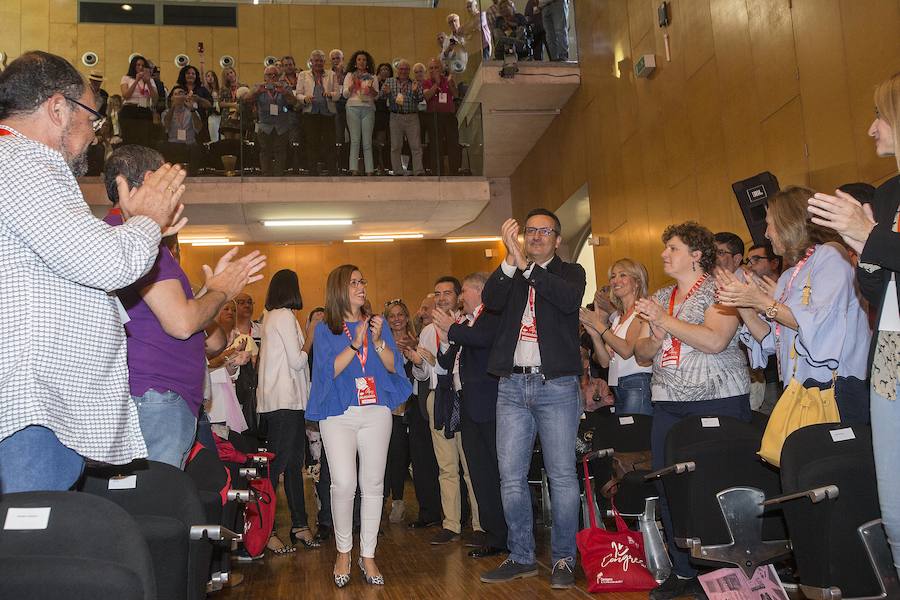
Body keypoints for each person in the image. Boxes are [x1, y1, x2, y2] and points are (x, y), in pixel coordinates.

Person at [0, 51, 183, 493]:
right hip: (33, 402)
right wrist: (146, 222)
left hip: (43, 404)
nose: (95, 134)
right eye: (92, 118)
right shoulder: (20, 162)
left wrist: (140, 224)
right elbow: (106, 262)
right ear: (58, 108)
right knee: (36, 551)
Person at [103, 145, 265, 468]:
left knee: (162, 505)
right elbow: (181, 323)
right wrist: (218, 292)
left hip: (167, 398)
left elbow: (215, 340)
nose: (177, 196)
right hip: (155, 397)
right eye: (172, 184)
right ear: (151, 180)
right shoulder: (129, 238)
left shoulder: (147, 244)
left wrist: (206, 294)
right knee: (153, 508)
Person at [806, 71, 900, 578]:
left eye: (880, 116)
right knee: (895, 510)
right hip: (890, 358)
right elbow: (874, 287)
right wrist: (866, 246)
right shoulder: (887, 196)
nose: (870, 129)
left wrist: (871, 238)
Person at [633, 222, 750, 599]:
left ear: (697, 254)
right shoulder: (662, 295)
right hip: (668, 403)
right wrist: (654, 332)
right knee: (670, 485)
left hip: (716, 400)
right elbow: (641, 353)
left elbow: (716, 340)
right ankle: (682, 571)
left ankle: (718, 573)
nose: (665, 254)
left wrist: (664, 322)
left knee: (715, 487)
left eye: (673, 248)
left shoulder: (722, 288)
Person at [479, 208, 586, 590]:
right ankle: (521, 555)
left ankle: (563, 559)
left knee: (560, 475)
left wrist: (525, 265)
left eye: (546, 231)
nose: (537, 236)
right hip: (511, 386)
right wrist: (510, 260)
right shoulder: (514, 271)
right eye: (530, 231)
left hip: (555, 386)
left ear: (558, 240)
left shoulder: (570, 273)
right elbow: (491, 300)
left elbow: (568, 300)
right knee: (510, 477)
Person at [718, 186, 871, 425]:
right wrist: (743, 305)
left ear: (790, 222)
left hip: (837, 387)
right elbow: (772, 341)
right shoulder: (790, 275)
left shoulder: (831, 256)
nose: (766, 234)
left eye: (769, 224)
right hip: (800, 389)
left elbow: (820, 325)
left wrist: (763, 301)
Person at [307, 265, 412, 587]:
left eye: (362, 281)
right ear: (339, 289)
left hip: (375, 411)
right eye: (354, 282)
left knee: (373, 485)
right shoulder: (326, 328)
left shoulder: (377, 323)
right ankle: (343, 552)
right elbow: (328, 372)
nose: (361, 286)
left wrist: (378, 341)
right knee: (342, 483)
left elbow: (394, 366)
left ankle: (368, 555)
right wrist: (356, 343)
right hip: (338, 413)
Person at [433, 272, 508, 559]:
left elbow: (481, 339)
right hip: (467, 404)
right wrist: (449, 333)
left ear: (479, 290)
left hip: (489, 405)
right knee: (479, 472)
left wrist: (452, 328)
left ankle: (506, 533)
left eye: (463, 290)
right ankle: (493, 533)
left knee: (495, 471)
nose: (461, 296)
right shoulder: (469, 321)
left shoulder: (492, 315)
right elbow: (448, 359)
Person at [411, 276, 484, 547]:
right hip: (437, 396)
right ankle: (451, 523)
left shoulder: (468, 324)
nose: (441, 298)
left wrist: (436, 361)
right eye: (437, 293)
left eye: (447, 293)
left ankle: (479, 523)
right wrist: (418, 362)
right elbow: (423, 374)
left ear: (458, 297)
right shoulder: (429, 330)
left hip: (463, 396)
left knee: (471, 465)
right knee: (446, 466)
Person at [257, 269, 322, 553]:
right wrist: (310, 335)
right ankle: (266, 530)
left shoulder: (273, 316)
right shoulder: (282, 316)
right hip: (283, 402)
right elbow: (297, 361)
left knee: (294, 465)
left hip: (288, 403)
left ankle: (299, 524)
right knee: (277, 467)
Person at [580, 258, 653, 415]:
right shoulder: (619, 319)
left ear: (637, 282)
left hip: (637, 383)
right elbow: (605, 362)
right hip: (618, 386)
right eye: (613, 276)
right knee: (625, 437)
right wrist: (595, 334)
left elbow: (627, 350)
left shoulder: (641, 312)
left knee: (634, 436)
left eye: (622, 275)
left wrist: (599, 326)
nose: (615, 280)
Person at [398, 295, 442, 528]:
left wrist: (415, 358)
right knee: (423, 461)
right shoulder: (424, 333)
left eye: (426, 308)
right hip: (419, 402)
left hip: (428, 402)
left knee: (429, 462)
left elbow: (427, 371)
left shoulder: (431, 332)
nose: (420, 312)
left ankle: (432, 512)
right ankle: (432, 511)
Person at [383, 300, 416, 523]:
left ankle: (399, 500)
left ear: (406, 317)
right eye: (392, 315)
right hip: (387, 405)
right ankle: (386, 499)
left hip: (413, 405)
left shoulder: (416, 340)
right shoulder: (381, 343)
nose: (396, 319)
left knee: (403, 455)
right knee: (388, 453)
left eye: (400, 315)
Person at [743, 242, 783, 414]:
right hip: (761, 372)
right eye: (749, 260)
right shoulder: (749, 291)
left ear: (774, 263)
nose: (751, 265)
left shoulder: (787, 288)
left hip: (783, 368)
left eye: (757, 259)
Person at [245, 65, 297, 176]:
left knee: (280, 151)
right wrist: (257, 92)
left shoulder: (285, 87)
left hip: (281, 125)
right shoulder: (258, 86)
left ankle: (279, 174)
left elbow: (294, 102)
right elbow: (246, 99)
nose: (272, 77)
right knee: (265, 151)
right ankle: (266, 174)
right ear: (264, 77)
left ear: (279, 76)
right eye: (269, 75)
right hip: (265, 125)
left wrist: (285, 93)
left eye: (275, 75)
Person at [296, 50, 339, 176]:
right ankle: (312, 170)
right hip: (310, 113)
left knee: (330, 143)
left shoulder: (331, 74)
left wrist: (330, 95)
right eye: (316, 61)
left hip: (328, 113)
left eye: (321, 61)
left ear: (324, 62)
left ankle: (332, 170)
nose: (318, 63)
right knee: (311, 143)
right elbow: (298, 93)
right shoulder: (303, 75)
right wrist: (304, 98)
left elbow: (337, 94)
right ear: (311, 62)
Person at [381, 59, 425, 177]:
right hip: (395, 116)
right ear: (397, 70)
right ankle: (398, 171)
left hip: (412, 116)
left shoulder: (414, 83)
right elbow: (381, 95)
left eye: (406, 69)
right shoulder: (389, 81)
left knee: (416, 146)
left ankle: (418, 171)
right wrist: (387, 93)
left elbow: (420, 98)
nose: (403, 71)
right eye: (401, 69)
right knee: (396, 146)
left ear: (409, 71)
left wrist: (415, 92)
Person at [342, 50, 379, 176]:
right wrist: (353, 84)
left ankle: (369, 170)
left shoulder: (372, 77)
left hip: (368, 108)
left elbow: (376, 96)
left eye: (364, 60)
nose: (361, 62)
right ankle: (353, 168)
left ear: (367, 62)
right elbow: (345, 94)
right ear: (355, 62)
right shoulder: (349, 75)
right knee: (355, 140)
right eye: (359, 60)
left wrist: (371, 88)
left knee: (367, 141)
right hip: (353, 107)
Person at [423, 58, 461, 176]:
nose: (433, 70)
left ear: (441, 68)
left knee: (453, 144)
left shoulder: (448, 80)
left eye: (436, 67)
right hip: (434, 117)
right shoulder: (426, 82)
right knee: (435, 145)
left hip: (448, 116)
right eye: (431, 68)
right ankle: (437, 172)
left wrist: (450, 84)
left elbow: (456, 94)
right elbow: (427, 97)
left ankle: (454, 171)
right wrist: (437, 84)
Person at [160, 85, 205, 174]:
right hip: (173, 144)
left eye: (181, 93)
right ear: (172, 98)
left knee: (196, 148)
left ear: (185, 96)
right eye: (176, 94)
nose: (178, 96)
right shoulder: (166, 112)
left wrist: (192, 110)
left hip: (189, 144)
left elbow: (199, 128)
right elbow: (166, 126)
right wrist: (173, 107)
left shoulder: (191, 112)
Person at [119, 54, 159, 147]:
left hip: (144, 110)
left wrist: (148, 81)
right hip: (129, 109)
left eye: (143, 65)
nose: (140, 67)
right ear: (133, 66)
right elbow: (126, 96)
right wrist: (136, 80)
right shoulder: (126, 78)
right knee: (129, 140)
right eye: (138, 65)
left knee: (144, 140)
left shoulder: (151, 80)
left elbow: (155, 98)